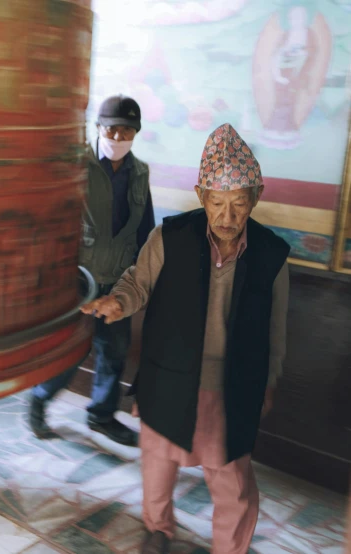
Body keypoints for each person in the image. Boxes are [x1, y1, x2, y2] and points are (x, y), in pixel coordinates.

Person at [84, 123, 290, 554]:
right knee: (157, 464)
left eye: (238, 204)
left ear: (256, 196)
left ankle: (229, 548)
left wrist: (269, 379)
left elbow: (276, 327)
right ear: (201, 196)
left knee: (230, 476)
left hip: (232, 383)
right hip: (169, 374)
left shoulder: (271, 254)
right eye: (217, 203)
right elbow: (137, 283)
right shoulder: (170, 237)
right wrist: (118, 303)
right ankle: (158, 530)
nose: (228, 217)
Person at [28, 95, 155, 446]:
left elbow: (145, 229)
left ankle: (101, 416)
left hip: (119, 281)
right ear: (98, 127)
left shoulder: (140, 173)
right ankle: (40, 398)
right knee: (72, 351)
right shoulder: (75, 165)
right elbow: (51, 224)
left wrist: (139, 280)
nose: (118, 137)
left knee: (115, 351)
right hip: (77, 281)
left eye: (127, 131)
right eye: (112, 129)